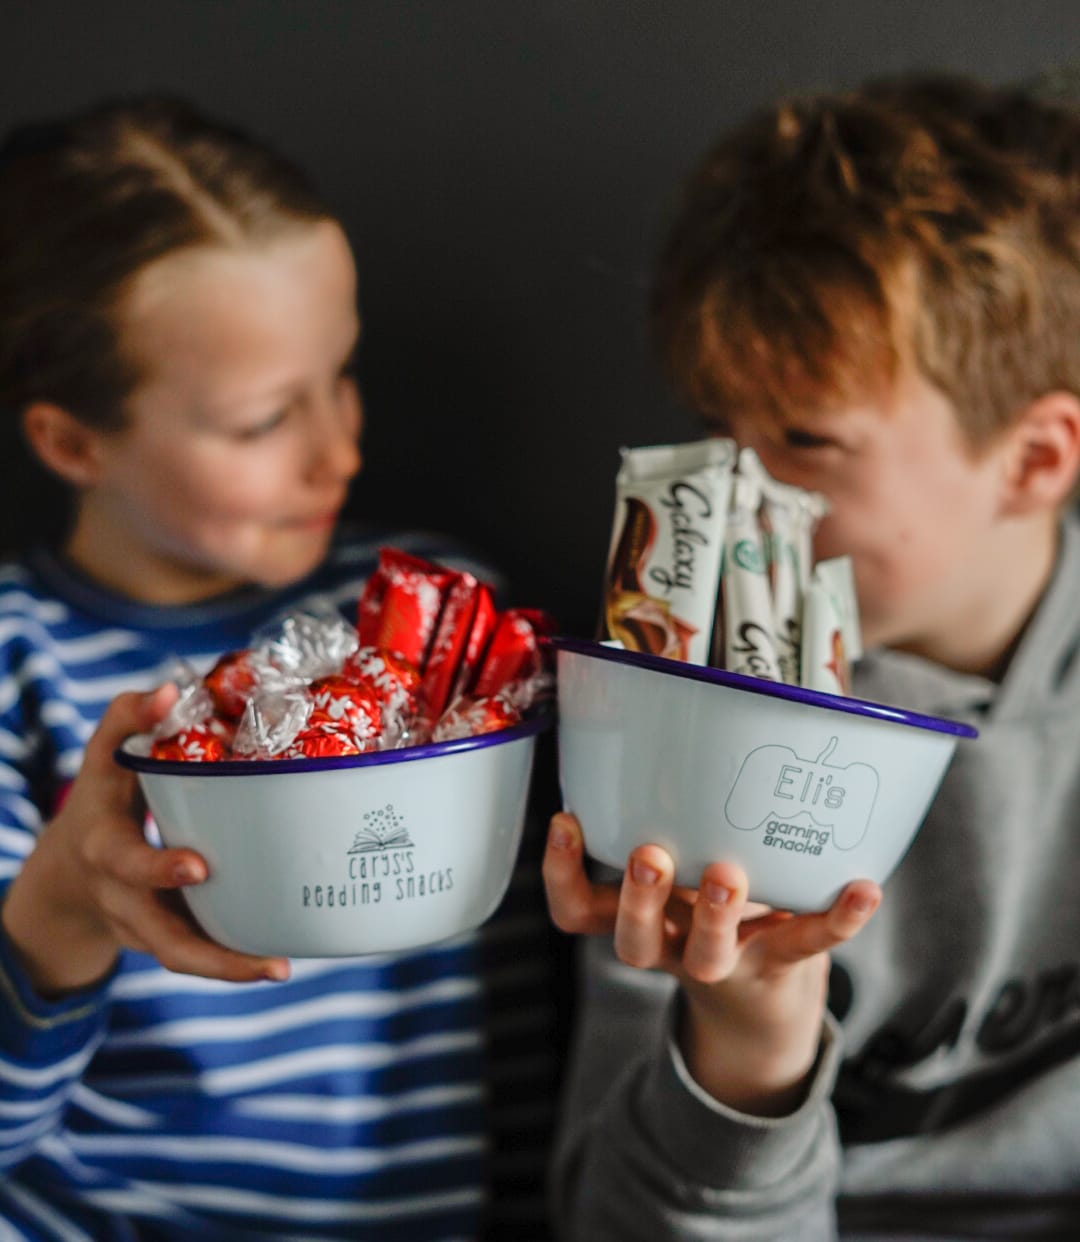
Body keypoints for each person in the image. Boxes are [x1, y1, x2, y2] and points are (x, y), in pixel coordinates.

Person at [0, 96, 559, 1241]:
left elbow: (506, 1029)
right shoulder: (18, 673)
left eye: (340, 375)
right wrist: (59, 908)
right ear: (71, 442)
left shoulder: (434, 622)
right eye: (262, 422)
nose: (341, 449)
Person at [543, 72, 1080, 1240]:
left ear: (1036, 460)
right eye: (717, 425)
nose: (735, 496)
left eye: (802, 441)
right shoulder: (684, 733)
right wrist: (745, 1051)